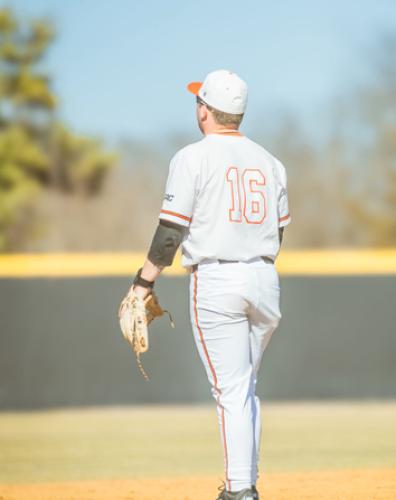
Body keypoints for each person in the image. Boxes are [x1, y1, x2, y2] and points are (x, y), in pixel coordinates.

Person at [130, 69, 291, 500]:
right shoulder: (270, 161)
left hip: (218, 278)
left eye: (197, 102)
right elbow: (279, 233)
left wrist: (142, 283)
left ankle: (240, 491)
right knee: (245, 388)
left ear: (205, 110)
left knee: (232, 391)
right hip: (264, 277)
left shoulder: (192, 157)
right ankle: (244, 483)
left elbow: (170, 232)